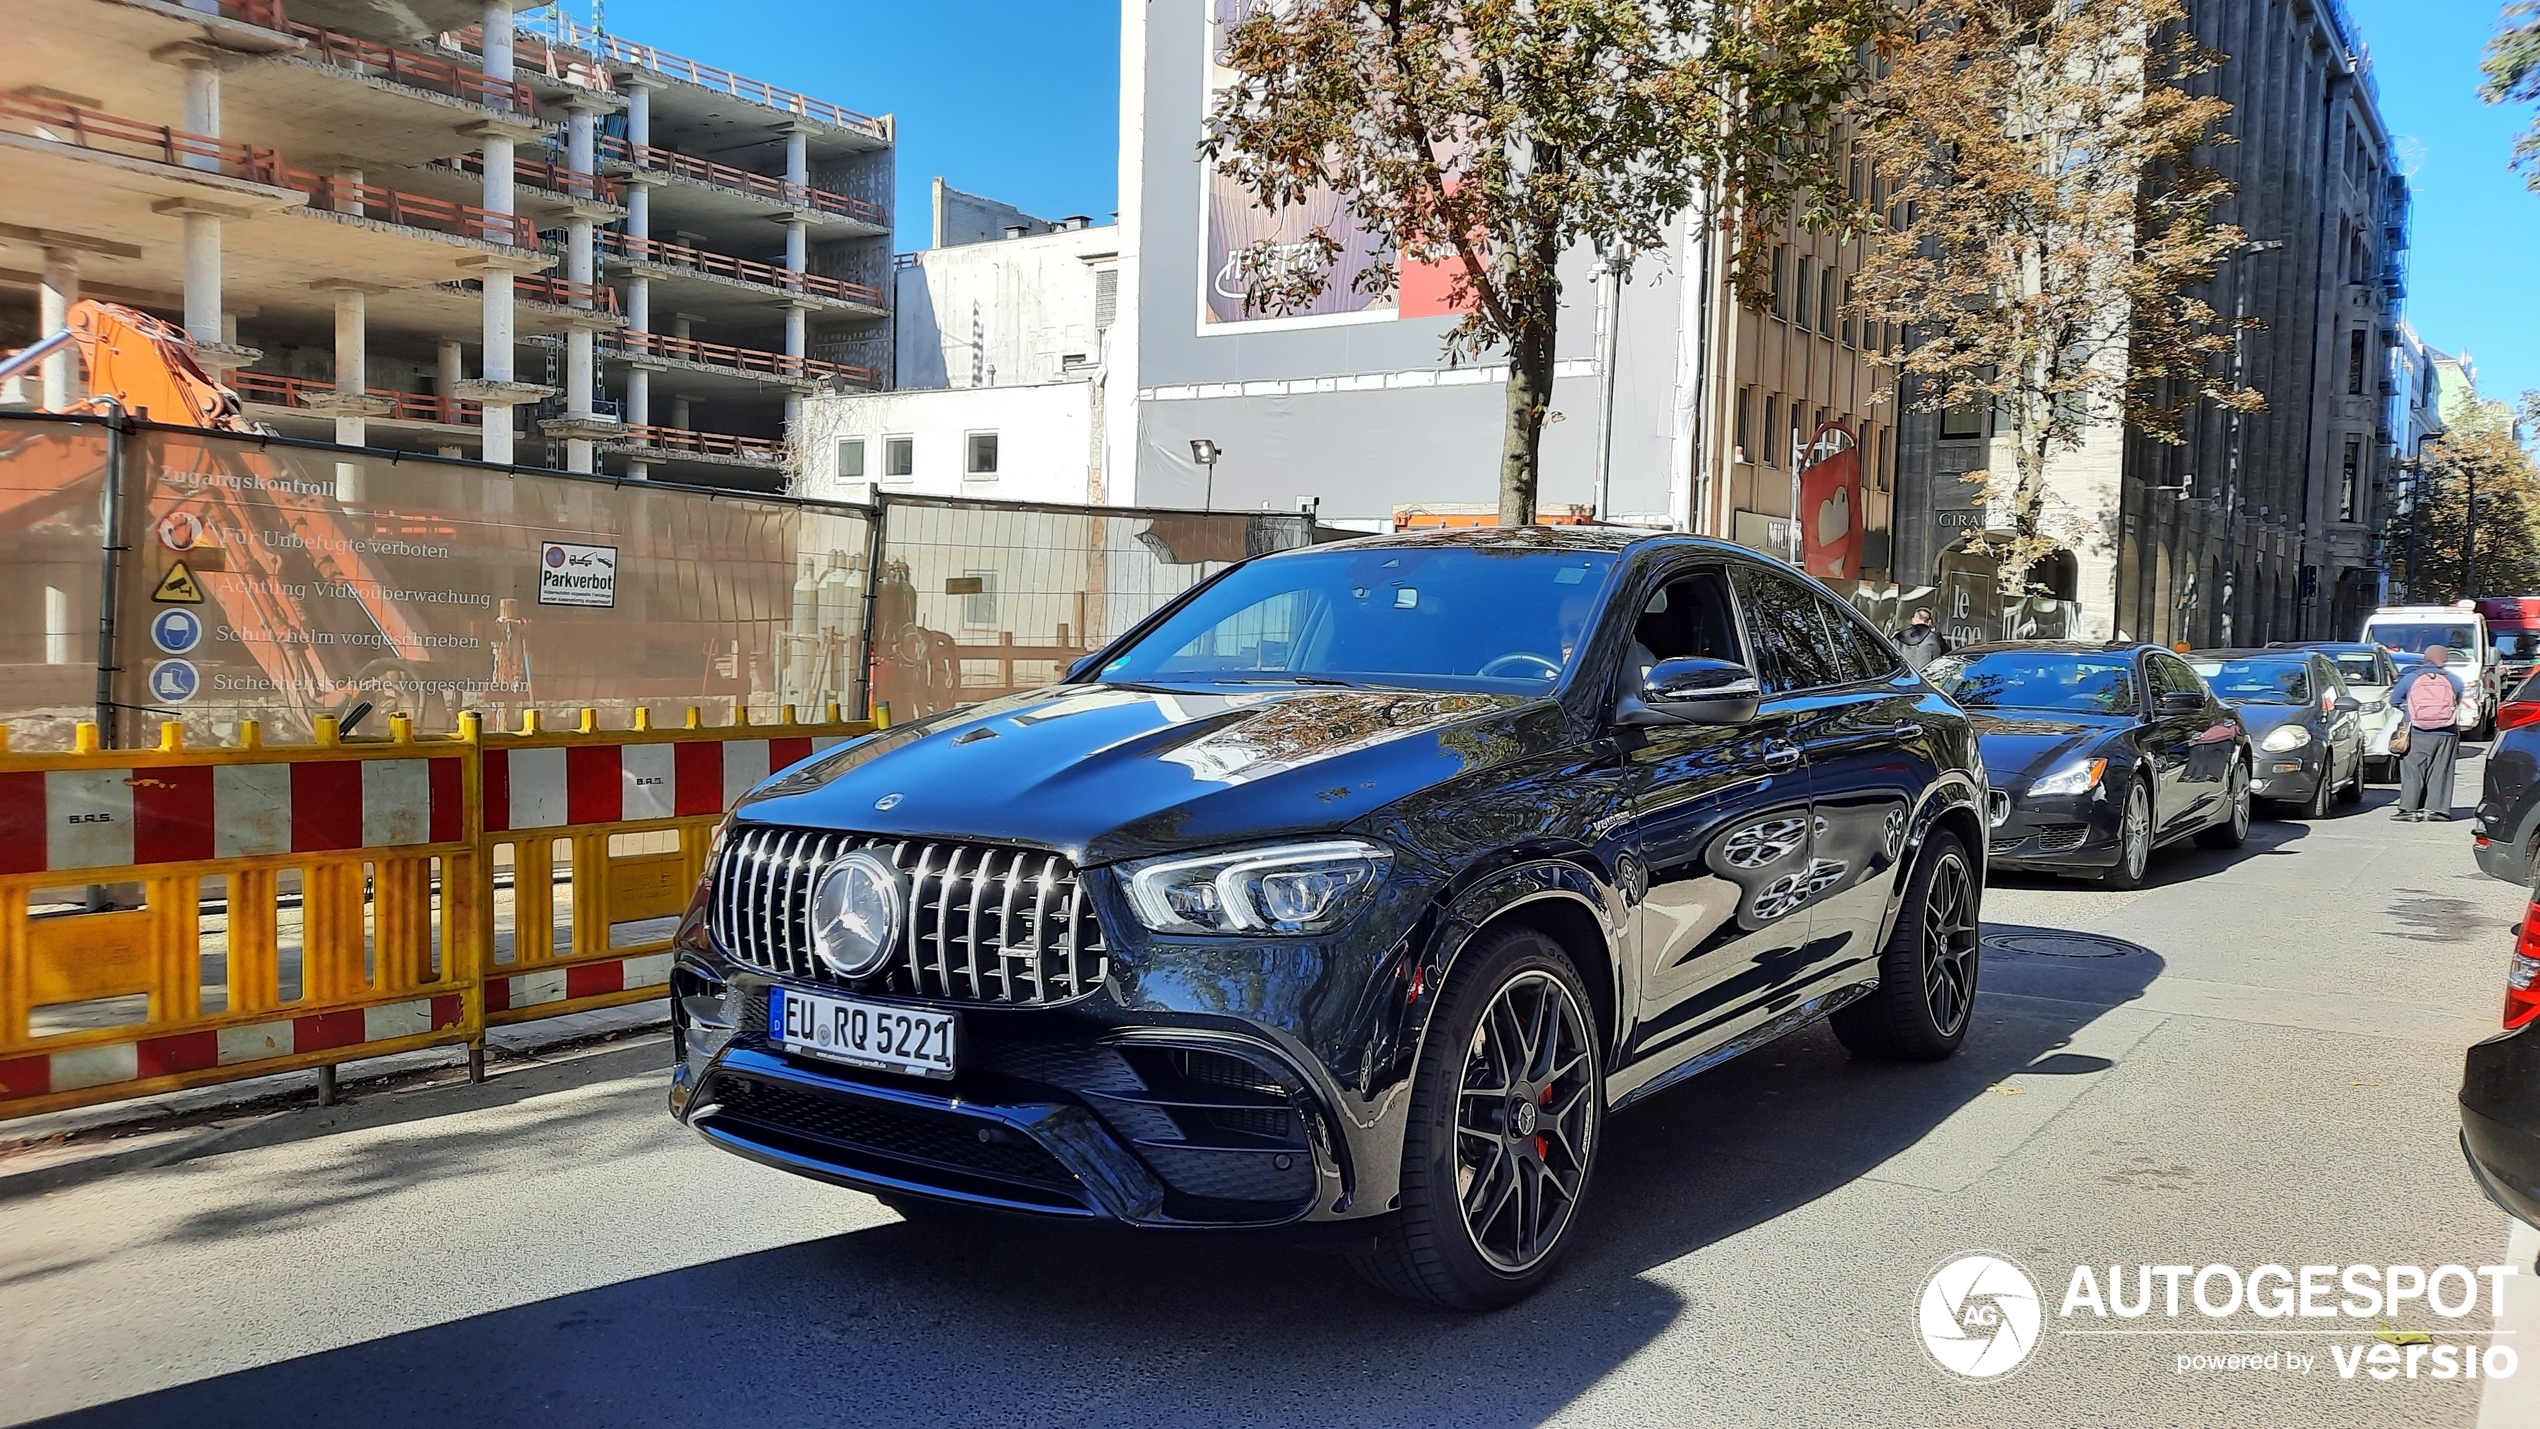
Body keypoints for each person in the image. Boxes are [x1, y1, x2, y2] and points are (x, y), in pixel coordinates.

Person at [2392, 645, 2465, 822]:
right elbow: (2458, 700)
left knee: (2412, 770)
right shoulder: (2454, 680)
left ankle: (2409, 809)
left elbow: (2394, 700)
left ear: (2426, 657)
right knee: (2441, 770)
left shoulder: (2411, 678)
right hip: (2446, 733)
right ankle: (2437, 811)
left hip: (2416, 730)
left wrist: (2410, 710)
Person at [1893, 608, 1951, 673]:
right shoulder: (1935, 638)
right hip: (1927, 679)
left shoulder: (1898, 638)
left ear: (1912, 620)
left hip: (1903, 678)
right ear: (1929, 622)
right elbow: (1948, 658)